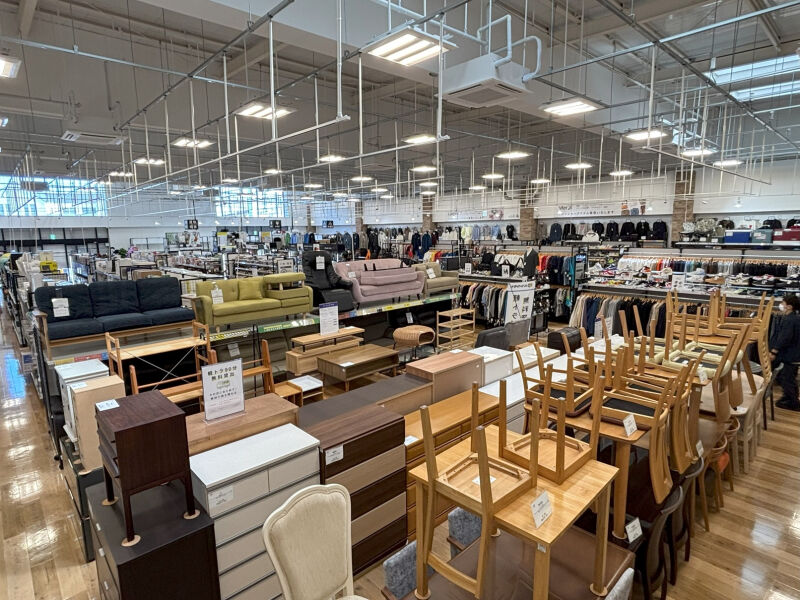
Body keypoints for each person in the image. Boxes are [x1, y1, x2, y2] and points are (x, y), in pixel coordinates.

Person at [770, 294, 800, 411]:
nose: (781, 305)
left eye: (783, 303)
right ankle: (789, 397)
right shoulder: (795, 318)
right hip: (794, 354)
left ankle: (793, 402)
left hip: (790, 355)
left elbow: (784, 338)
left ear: (789, 306)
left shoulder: (789, 320)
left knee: (786, 378)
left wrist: (774, 351)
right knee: (789, 377)